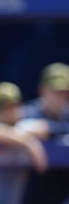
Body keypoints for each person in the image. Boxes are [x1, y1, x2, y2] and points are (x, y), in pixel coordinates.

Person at [21, 62, 69, 204]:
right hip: (32, 190)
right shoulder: (28, 113)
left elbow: (50, 128)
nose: (60, 97)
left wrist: (50, 128)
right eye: (55, 91)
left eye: (64, 92)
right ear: (42, 90)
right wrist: (28, 140)